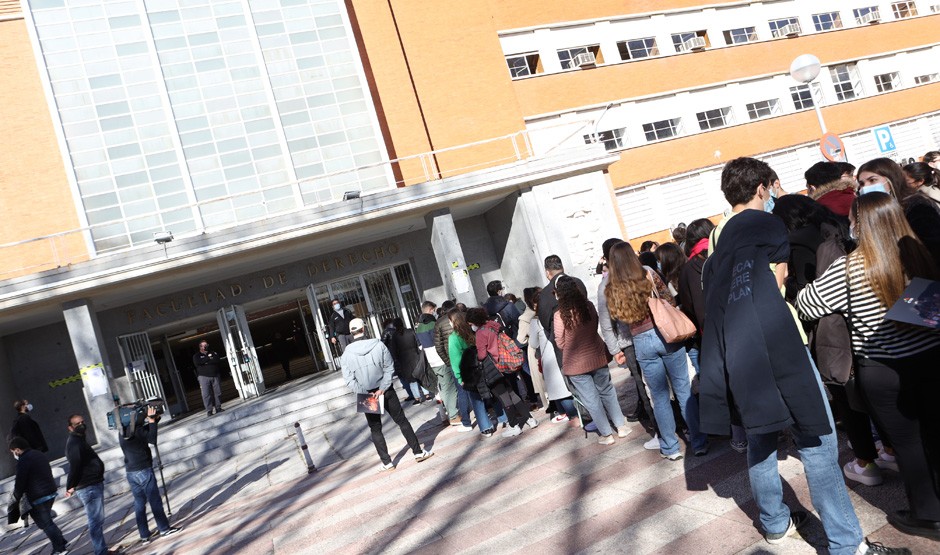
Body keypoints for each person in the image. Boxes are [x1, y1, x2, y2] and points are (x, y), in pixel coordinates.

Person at [701, 157, 907, 555]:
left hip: (740, 353)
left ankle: (775, 525)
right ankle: (848, 544)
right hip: (781, 343)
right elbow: (777, 280)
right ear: (762, 188)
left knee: (761, 437)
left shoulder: (717, 239)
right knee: (818, 441)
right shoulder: (766, 224)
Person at [796, 192, 940, 542]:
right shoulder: (918, 255)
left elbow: (807, 304)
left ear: (860, 224)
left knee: (907, 443)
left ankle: (929, 515)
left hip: (882, 368)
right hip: (931, 359)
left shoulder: (849, 268)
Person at [606, 241, 707, 460]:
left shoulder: (611, 287)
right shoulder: (648, 273)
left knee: (659, 397)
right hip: (665, 333)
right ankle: (699, 442)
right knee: (683, 389)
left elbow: (618, 318)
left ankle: (670, 447)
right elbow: (668, 298)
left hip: (640, 340)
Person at [341, 318, 433, 470]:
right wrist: (382, 388)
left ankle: (387, 462)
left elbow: (349, 380)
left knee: (375, 428)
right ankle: (418, 452)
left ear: (351, 333)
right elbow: (389, 368)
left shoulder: (346, 354)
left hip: (367, 394)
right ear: (364, 329)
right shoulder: (378, 345)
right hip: (386, 390)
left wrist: (366, 393)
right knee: (401, 421)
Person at [554, 275, 627, 445]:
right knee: (607, 391)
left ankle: (606, 434)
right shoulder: (588, 306)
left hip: (575, 364)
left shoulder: (559, 315)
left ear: (559, 294)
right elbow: (595, 326)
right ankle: (621, 426)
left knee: (591, 399)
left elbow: (560, 342)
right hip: (597, 356)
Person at [466, 307, 536, 438]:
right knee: (511, 393)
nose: (471, 327)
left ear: (474, 321)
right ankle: (530, 419)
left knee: (503, 396)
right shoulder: (493, 325)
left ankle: (514, 425)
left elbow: (482, 355)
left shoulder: (481, 333)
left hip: (495, 367)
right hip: (506, 363)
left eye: (470, 324)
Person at [857, 157, 940, 266]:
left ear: (891, 179)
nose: (865, 187)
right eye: (861, 184)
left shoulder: (917, 205)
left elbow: (933, 246)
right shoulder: (876, 210)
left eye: (872, 180)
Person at [118, 406, 181, 543]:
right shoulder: (138, 431)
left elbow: (146, 432)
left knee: (139, 503)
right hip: (144, 470)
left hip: (131, 472)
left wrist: (154, 420)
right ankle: (164, 529)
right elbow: (152, 439)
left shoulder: (122, 432)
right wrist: (151, 421)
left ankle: (144, 535)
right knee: (154, 500)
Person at [447, 309, 505, 436]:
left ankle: (485, 427)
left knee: (476, 399)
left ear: (454, 322)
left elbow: (455, 360)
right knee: (492, 391)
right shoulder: (474, 330)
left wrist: (459, 377)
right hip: (483, 365)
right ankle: (503, 417)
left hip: (468, 371)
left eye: (450, 321)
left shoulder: (454, 338)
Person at [9, 436, 68, 554]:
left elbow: (20, 483)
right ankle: (61, 541)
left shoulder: (23, 461)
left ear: (17, 450)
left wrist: (15, 498)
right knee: (47, 522)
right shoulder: (38, 454)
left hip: (38, 496)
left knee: (46, 524)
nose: (14, 454)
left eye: (13, 452)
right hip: (50, 491)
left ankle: (60, 549)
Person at [65, 414, 112, 555]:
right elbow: (75, 466)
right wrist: (70, 486)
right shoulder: (74, 443)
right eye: (77, 424)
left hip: (92, 483)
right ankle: (101, 552)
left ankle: (102, 550)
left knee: (97, 520)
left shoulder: (79, 439)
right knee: (95, 521)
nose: (82, 425)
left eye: (83, 422)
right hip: (88, 487)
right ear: (70, 428)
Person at [537, 255, 588, 365]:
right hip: (586, 334)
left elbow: (545, 322)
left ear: (547, 272)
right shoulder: (577, 282)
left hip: (566, 348)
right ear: (562, 267)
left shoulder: (545, 294)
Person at [415, 301, 459, 424]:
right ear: (430, 310)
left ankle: (445, 414)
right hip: (440, 359)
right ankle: (453, 415)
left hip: (430, 361)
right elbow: (440, 343)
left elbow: (420, 345)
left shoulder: (418, 327)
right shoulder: (433, 324)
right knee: (449, 387)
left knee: (441, 387)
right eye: (434, 310)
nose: (435, 312)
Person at [382, 317, 432, 404]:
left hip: (404, 360)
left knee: (411, 380)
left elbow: (394, 350)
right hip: (415, 356)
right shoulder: (410, 331)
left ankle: (417, 398)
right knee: (420, 376)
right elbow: (418, 342)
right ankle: (427, 394)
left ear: (395, 326)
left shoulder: (395, 336)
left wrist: (397, 359)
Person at [192, 340, 224, 417]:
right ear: (200, 347)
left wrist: (205, 361)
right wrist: (208, 358)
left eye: (207, 345)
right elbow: (198, 363)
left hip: (215, 375)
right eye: (204, 345)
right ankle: (209, 410)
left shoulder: (213, 353)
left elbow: (217, 360)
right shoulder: (196, 356)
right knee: (206, 394)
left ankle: (218, 407)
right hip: (203, 377)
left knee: (218, 392)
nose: (206, 347)